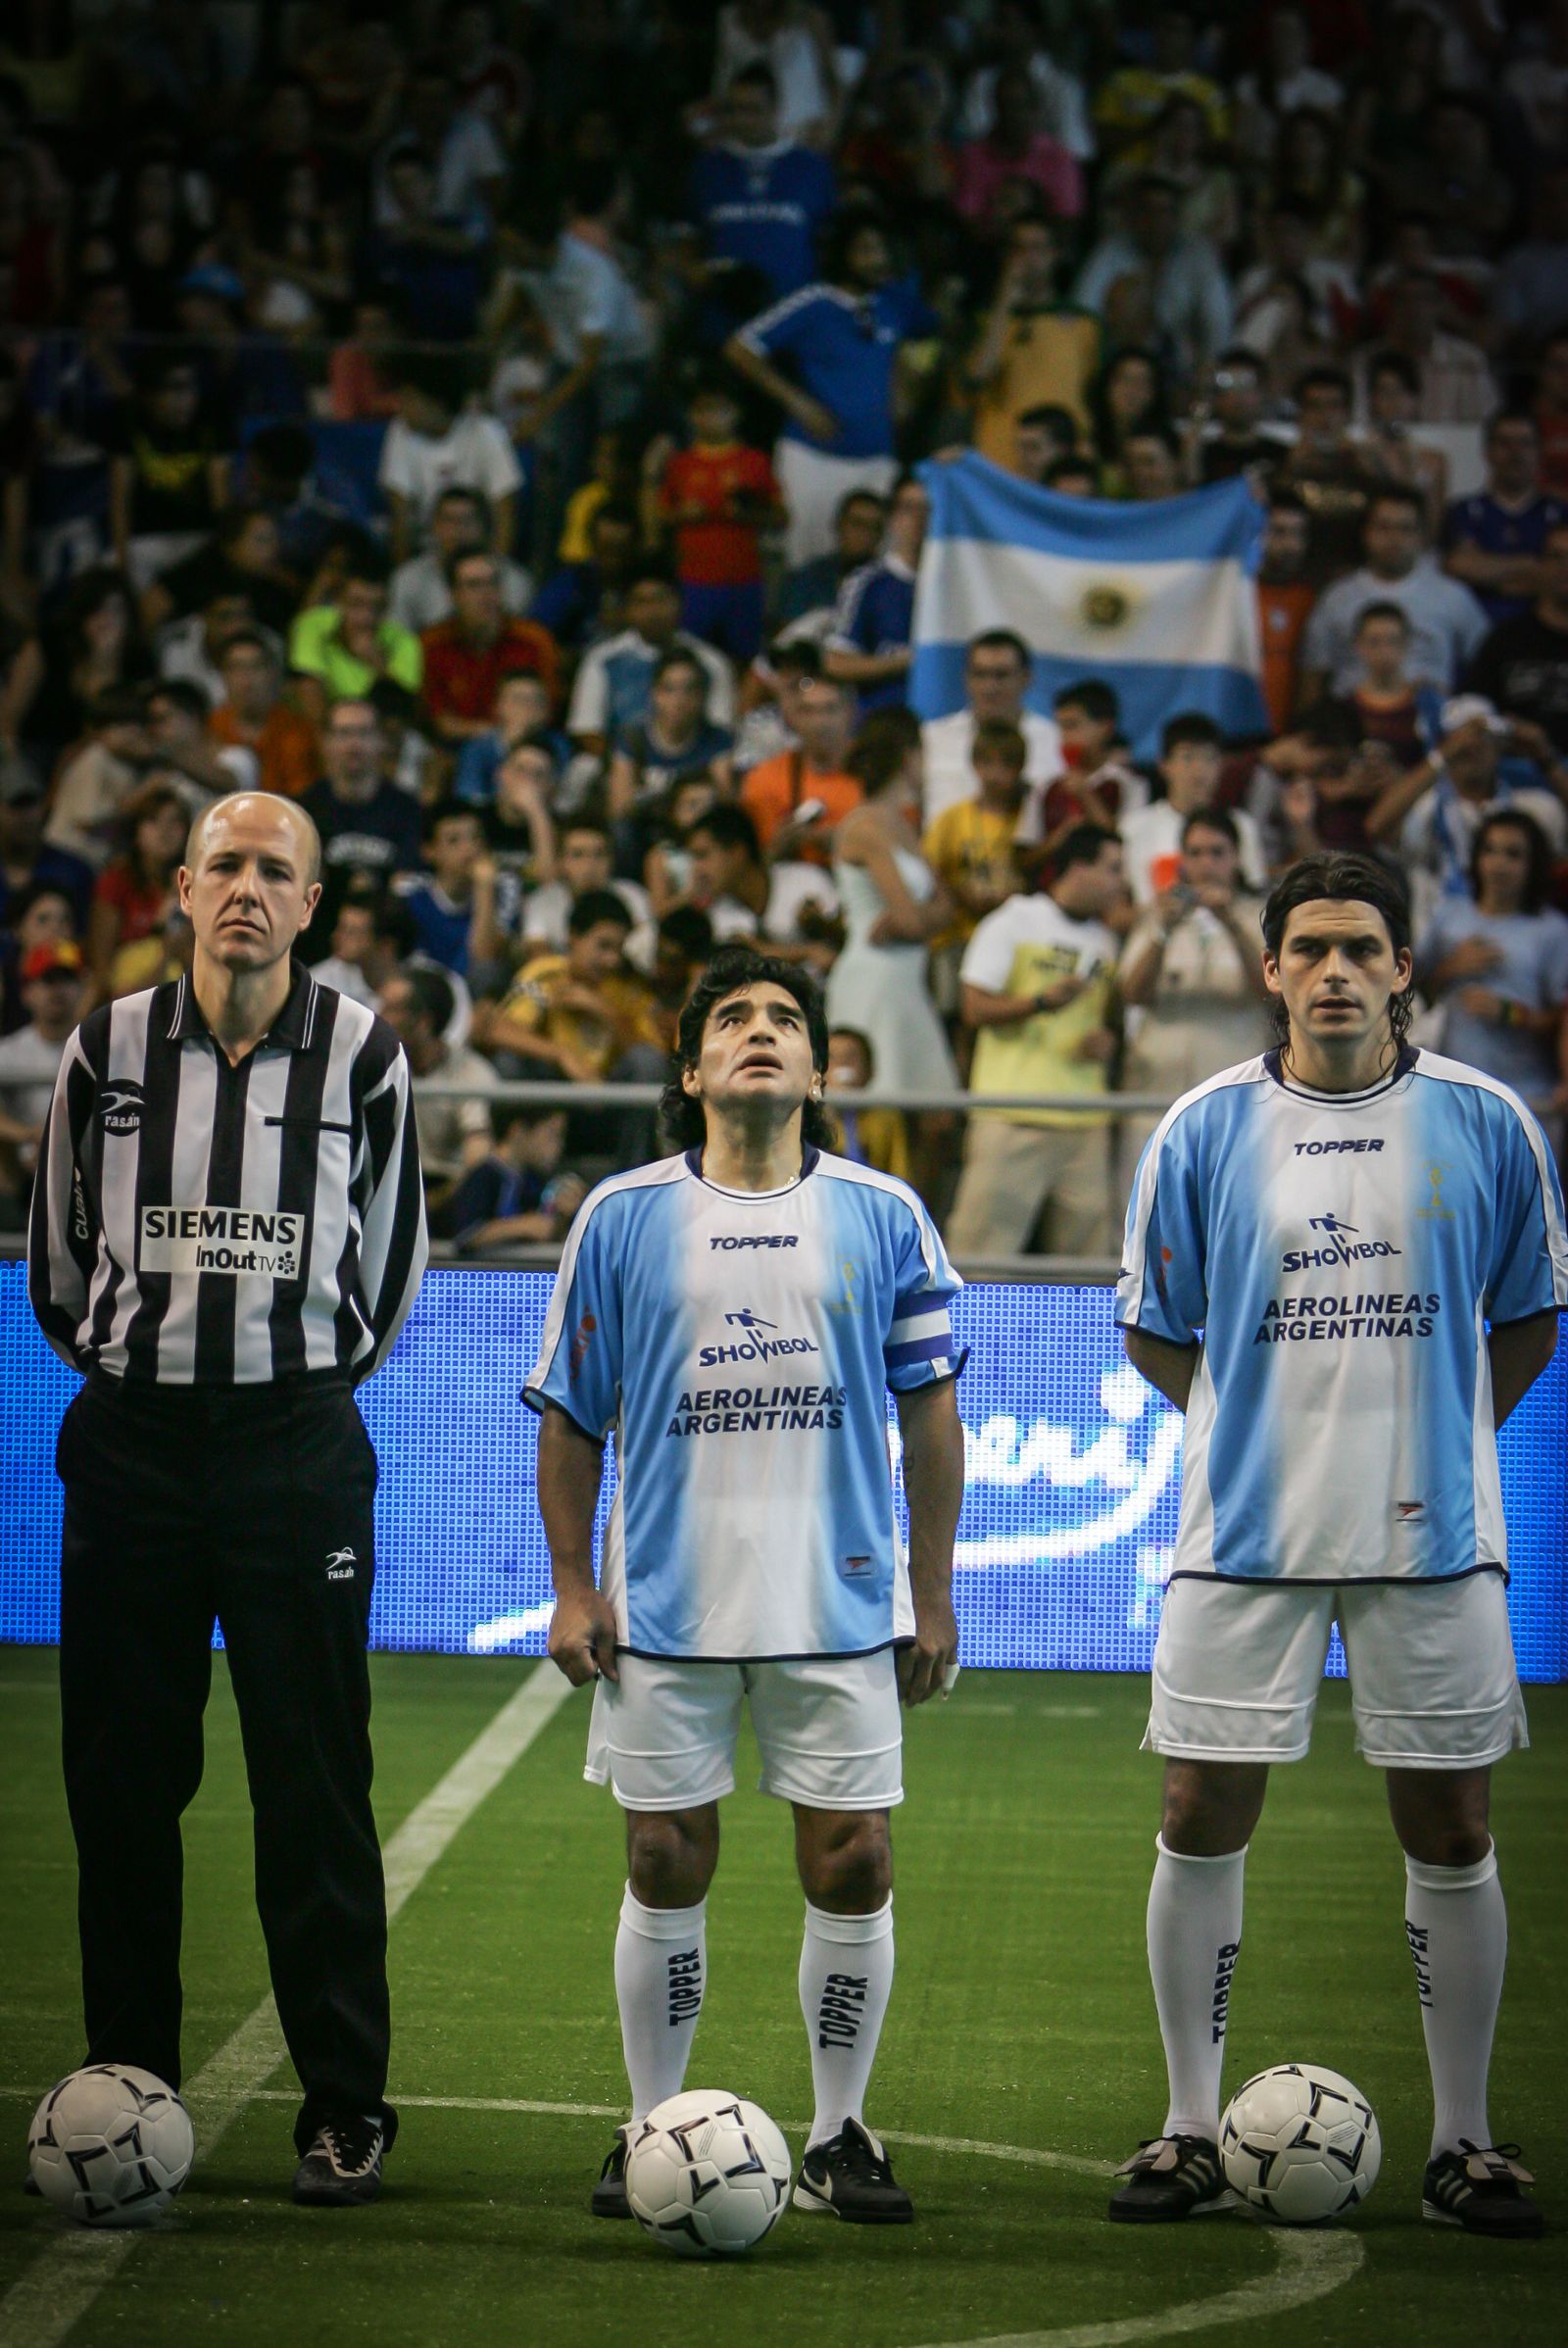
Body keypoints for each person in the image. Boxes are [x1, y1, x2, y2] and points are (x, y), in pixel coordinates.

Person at [1110, 851, 1564, 2236]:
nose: (1335, 973)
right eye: (1309, 949)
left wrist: (1436, 1440)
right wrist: (1274, 1432)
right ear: (1270, 971)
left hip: (1433, 1538)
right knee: (1199, 1812)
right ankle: (1190, 2124)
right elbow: (1155, 1328)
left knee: (1453, 1823)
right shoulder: (1199, 1128)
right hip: (1244, 1530)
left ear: (1404, 968)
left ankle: (1467, 2141)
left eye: (1362, 948)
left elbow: (1532, 1313)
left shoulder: (1488, 1123)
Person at [27, 790, 427, 2208]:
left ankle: (342, 2107)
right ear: (181, 891)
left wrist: (282, 1389)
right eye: (226, 868)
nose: (248, 889)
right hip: (133, 1451)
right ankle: (124, 2088)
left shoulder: (366, 1056)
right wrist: (155, 1377)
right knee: (122, 1787)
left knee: (313, 1786)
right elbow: (60, 1274)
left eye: (277, 870)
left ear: (310, 903)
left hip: (293, 1451)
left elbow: (385, 1277)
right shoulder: (108, 1047)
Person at [528, 944, 964, 2223]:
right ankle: (650, 2122)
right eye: (734, 1018)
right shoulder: (622, 1214)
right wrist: (570, 1582)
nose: (761, 1032)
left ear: (823, 1068)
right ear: (690, 1065)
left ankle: (840, 2133)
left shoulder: (888, 1216)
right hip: (666, 1599)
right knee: (664, 1857)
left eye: (786, 1018)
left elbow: (933, 1417)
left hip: (836, 1600)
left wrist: (930, 1595)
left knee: (854, 1864)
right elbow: (569, 1419)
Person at [945, 823, 1124, 1259]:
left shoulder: (1105, 941)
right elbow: (974, 1008)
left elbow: (1104, 1022)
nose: (1122, 882)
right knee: (982, 1257)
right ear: (1078, 868)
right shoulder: (1014, 921)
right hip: (1012, 1114)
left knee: (1088, 1268)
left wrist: (1105, 1042)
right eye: (1113, 868)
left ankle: (1081, 1333)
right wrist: (1041, 1002)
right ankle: (967, 1332)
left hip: (1085, 1119)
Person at [725, 206, 934, 565]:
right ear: (843, 255)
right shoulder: (814, 302)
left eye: (883, 250)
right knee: (807, 560)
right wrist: (797, 402)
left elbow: (919, 341)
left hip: (876, 458)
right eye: (866, 250)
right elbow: (740, 347)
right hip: (813, 457)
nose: (878, 260)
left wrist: (903, 391)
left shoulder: (894, 305)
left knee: (878, 566)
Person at [1114, 808, 1271, 1189]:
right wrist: (1163, 931)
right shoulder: (1157, 917)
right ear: (1182, 859)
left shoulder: (1263, 917)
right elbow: (1132, 993)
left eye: (1217, 853)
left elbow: (1272, 990)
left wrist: (1231, 922)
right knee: (1151, 1222)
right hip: (1156, 1095)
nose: (1206, 864)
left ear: (1236, 858)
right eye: (1196, 853)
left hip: (1236, 1098)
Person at [825, 712, 957, 1131]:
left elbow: (941, 908)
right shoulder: (866, 826)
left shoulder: (901, 823)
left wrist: (920, 918)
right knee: (872, 1115)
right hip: (875, 979)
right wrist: (921, 918)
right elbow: (918, 918)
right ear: (907, 757)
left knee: (936, 1115)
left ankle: (908, 1199)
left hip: (905, 978)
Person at [1415, 810, 1568, 1117]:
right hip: (1450, 1091)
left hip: (1527, 1096)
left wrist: (1511, 1013)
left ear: (1532, 864)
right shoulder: (1449, 916)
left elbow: (1562, 1015)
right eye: (1489, 850)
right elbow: (1412, 991)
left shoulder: (1553, 931)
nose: (1499, 864)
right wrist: (1450, 968)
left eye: (1513, 854)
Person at [1298, 490, 1491, 704]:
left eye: (1405, 529)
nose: (1394, 538)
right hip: (1351, 726)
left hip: (1430, 726)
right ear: (1366, 532)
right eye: (1383, 527)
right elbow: (1312, 678)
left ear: (1421, 536)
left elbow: (1487, 667)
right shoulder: (1335, 598)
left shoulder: (1453, 597)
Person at [962, 215, 1100, 468]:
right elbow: (977, 377)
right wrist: (1004, 302)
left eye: (1038, 248)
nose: (1028, 258)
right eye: (1019, 249)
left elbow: (1098, 397)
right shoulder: (985, 322)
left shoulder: (1083, 323)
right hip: (1000, 463)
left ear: (1055, 254)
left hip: (1063, 469)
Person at [921, 630, 1063, 828]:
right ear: (966, 678)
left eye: (1001, 675)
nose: (990, 687)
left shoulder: (1055, 740)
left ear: (1026, 678)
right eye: (980, 674)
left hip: (1030, 855)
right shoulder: (930, 739)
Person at [377, 960, 497, 1195]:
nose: (378, 1017)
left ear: (424, 1023)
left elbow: (477, 1161)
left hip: (448, 1191)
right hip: (389, 1186)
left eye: (391, 1009)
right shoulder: (374, 1067)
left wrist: (430, 1203)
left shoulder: (473, 1074)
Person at [418, 550, 560, 745]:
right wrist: (493, 735)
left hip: (525, 745)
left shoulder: (534, 641)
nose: (486, 594)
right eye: (473, 585)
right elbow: (438, 721)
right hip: (453, 749)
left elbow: (546, 712)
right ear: (453, 595)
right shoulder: (432, 644)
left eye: (493, 582)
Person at [1441, 414, 1568, 629]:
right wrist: (1531, 563)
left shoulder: (1561, 512)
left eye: (1525, 443)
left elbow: (1561, 579)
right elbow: (1460, 567)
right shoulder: (1463, 511)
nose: (1515, 453)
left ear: (1539, 451)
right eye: (1505, 443)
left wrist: (1490, 574)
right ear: (1487, 450)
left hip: (1549, 632)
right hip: (1477, 629)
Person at [1121, 715, 1265, 905]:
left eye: (1209, 758)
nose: (1200, 769)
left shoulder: (1241, 825)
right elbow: (1118, 904)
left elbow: (1256, 896)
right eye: (1188, 757)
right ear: (1164, 765)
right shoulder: (1134, 826)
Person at [823, 474, 928, 713]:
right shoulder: (867, 583)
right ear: (893, 519)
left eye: (927, 509)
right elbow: (836, 663)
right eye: (909, 509)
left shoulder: (950, 586)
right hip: (880, 719)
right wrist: (904, 663)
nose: (919, 519)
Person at [0, 936, 84, 1228]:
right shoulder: (9, 1051)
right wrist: (29, 1134)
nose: (58, 990)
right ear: (27, 992)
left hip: (83, 1174)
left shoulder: (97, 1048)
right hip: (22, 1177)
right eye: (48, 980)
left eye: (67, 979)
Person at [1465, 517, 1568, 755]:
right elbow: (1474, 712)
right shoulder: (1505, 639)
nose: (1566, 566)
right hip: (1517, 776)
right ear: (1540, 565)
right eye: (1556, 556)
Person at [428, 1101, 584, 1253]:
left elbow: (543, 1225)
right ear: (518, 1131)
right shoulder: (486, 1175)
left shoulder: (531, 1179)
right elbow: (465, 1235)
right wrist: (524, 1226)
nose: (559, 1145)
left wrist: (561, 1217)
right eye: (552, 1135)